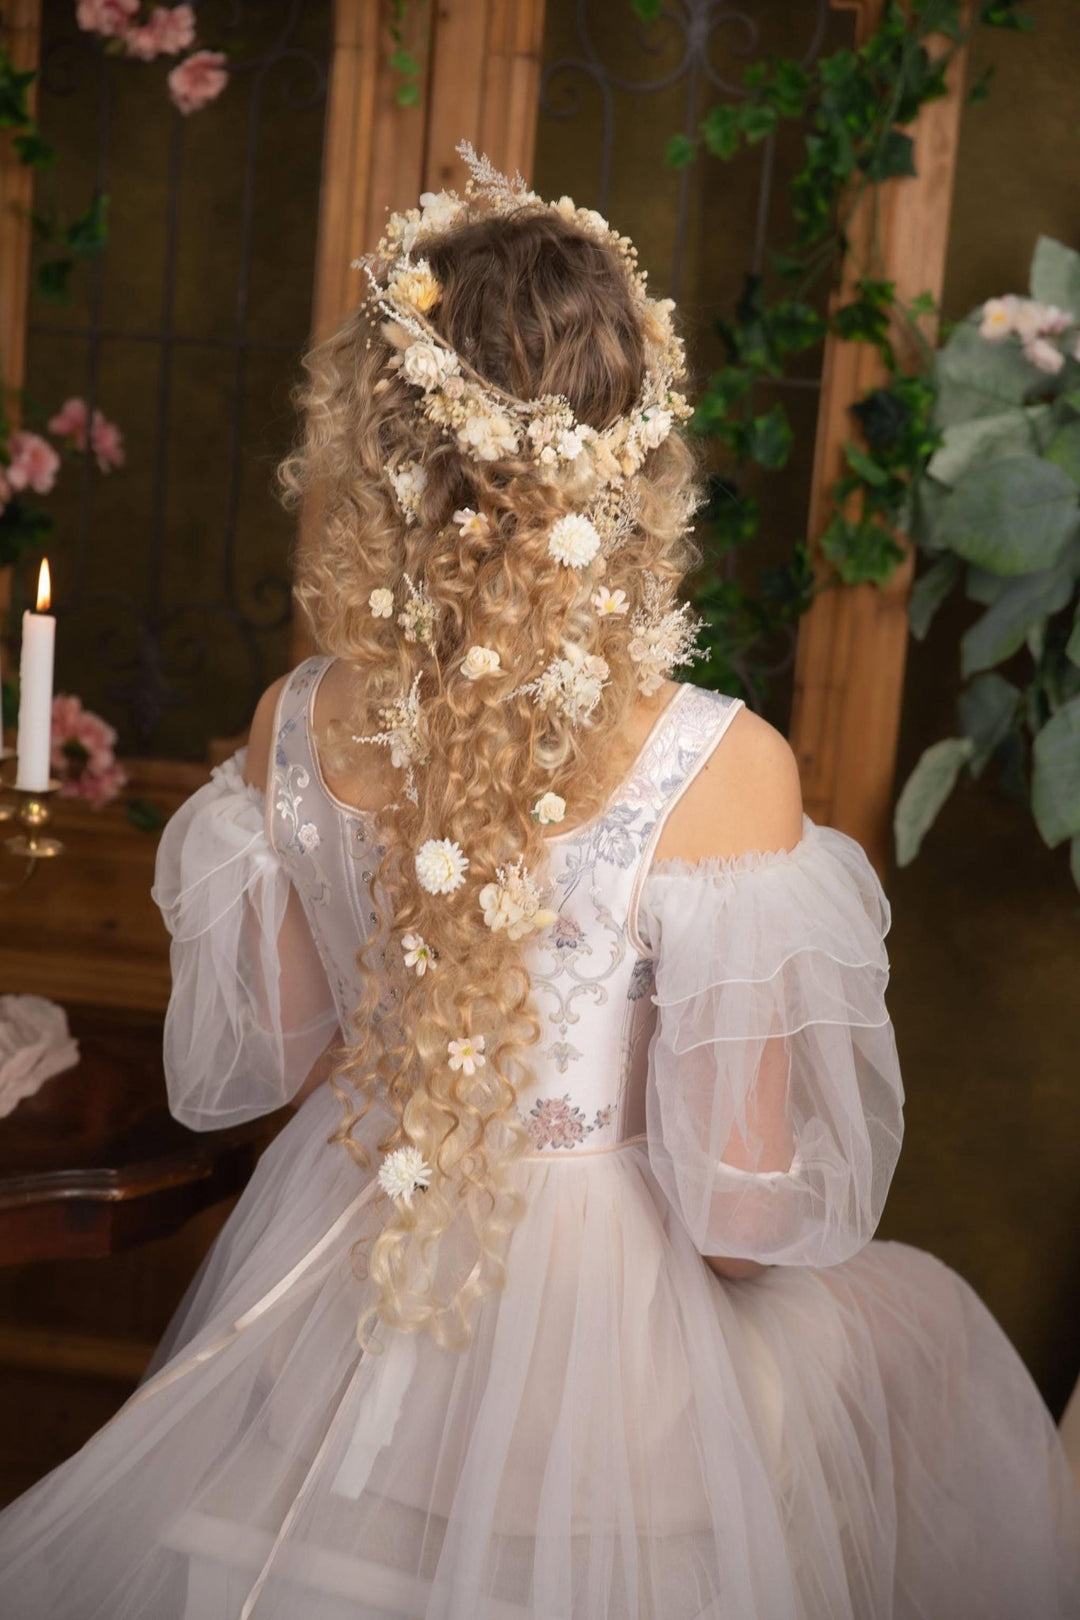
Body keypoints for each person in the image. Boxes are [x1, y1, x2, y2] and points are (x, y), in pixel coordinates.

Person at [0, 142, 1077, 1620]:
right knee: (915, 1342)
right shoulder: (724, 766)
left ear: (381, 449)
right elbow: (732, 1218)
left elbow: (277, 1065)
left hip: (345, 1295)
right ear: (627, 449)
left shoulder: (299, 717)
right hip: (614, 1354)